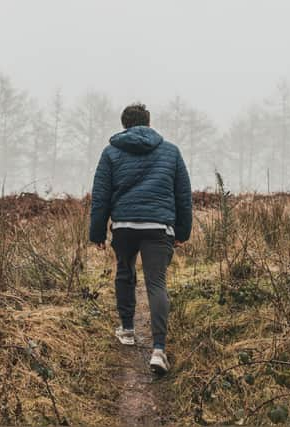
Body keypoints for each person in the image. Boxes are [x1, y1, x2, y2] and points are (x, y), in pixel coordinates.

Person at [89, 103, 192, 374]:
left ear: (124, 125)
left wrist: (97, 232)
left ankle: (127, 330)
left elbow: (101, 196)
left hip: (123, 226)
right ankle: (158, 350)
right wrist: (182, 232)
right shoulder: (170, 152)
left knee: (124, 272)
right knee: (156, 283)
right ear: (148, 122)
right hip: (159, 227)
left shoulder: (111, 152)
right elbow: (183, 195)